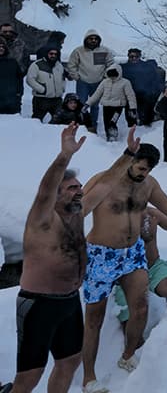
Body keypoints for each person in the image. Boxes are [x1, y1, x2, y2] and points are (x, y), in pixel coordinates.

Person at [78, 130, 167, 392]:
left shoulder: (148, 184)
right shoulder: (104, 181)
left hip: (132, 254)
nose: (142, 173)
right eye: (140, 167)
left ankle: (128, 355)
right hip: (102, 255)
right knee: (93, 318)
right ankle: (88, 377)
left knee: (140, 306)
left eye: (147, 169)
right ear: (130, 160)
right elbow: (78, 211)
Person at [11, 124, 87, 393]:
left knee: (69, 362)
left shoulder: (75, 215)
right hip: (38, 305)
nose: (79, 191)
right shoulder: (42, 218)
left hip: (69, 302)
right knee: (29, 377)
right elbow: (45, 189)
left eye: (79, 186)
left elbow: (105, 185)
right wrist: (64, 155)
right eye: (71, 188)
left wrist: (127, 154)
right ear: (56, 194)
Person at [110, 206, 167, 327]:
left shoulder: (151, 214)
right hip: (126, 275)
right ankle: (139, 345)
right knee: (132, 322)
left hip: (153, 267)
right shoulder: (113, 218)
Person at [65, 30, 113, 134]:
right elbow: (71, 65)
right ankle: (81, 125)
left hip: (98, 83)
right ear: (86, 39)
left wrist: (105, 77)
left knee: (95, 106)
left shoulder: (104, 51)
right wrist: (76, 76)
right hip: (83, 83)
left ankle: (93, 126)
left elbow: (110, 65)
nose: (93, 40)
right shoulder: (78, 51)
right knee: (81, 105)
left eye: (95, 39)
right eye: (91, 38)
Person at [120, 49, 163, 127]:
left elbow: (154, 79)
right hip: (129, 94)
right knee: (130, 115)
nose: (134, 58)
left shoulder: (147, 67)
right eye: (131, 56)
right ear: (128, 56)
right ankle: (131, 128)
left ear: (139, 57)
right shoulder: (123, 68)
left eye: (136, 56)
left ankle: (146, 129)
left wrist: (153, 90)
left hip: (144, 93)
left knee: (145, 115)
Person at [26, 45, 66, 123]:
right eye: (51, 53)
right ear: (46, 54)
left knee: (59, 121)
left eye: (55, 54)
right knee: (36, 121)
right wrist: (42, 89)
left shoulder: (59, 65)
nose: (53, 55)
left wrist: (62, 88)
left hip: (57, 100)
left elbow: (63, 78)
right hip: (41, 99)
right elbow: (29, 79)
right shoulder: (37, 65)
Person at [0, 39, 24, 115]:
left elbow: (19, 79)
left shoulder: (12, 62)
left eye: (2, 47)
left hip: (12, 102)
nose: (1, 48)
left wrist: (19, 94)